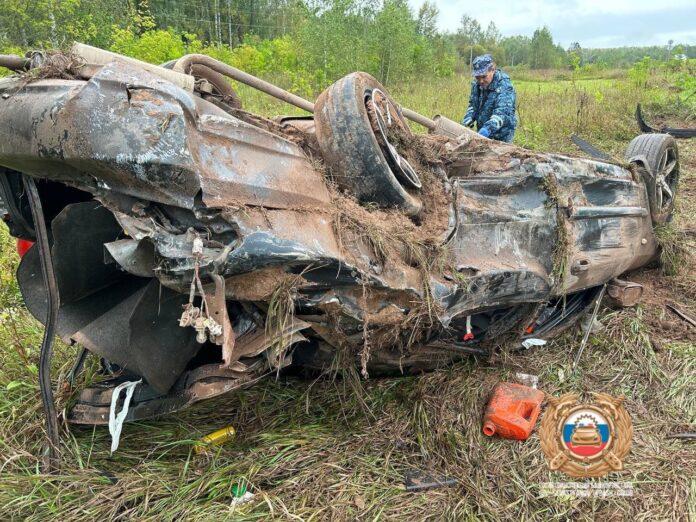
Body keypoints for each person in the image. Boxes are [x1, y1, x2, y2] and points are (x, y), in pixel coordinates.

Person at [461, 54, 517, 143]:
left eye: (484, 76)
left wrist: (486, 130)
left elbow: (502, 114)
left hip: (501, 135)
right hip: (482, 130)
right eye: (477, 77)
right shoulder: (476, 85)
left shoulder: (504, 86)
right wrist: (468, 118)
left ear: (493, 70)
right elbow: (473, 104)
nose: (481, 81)